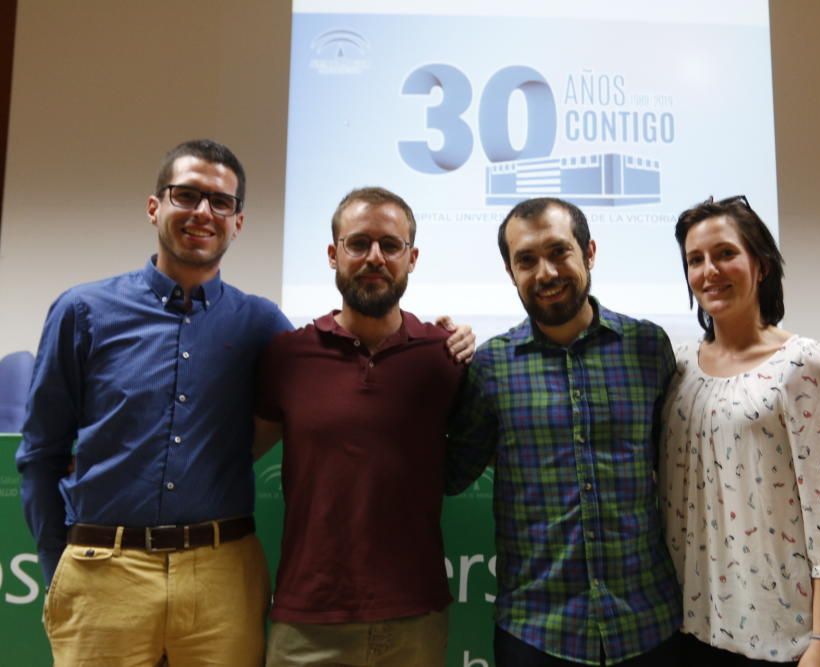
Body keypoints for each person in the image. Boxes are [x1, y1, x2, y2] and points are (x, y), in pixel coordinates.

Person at [16, 139, 292, 665]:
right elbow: (40, 453)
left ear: (238, 221)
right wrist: (59, 567)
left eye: (220, 202)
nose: (203, 213)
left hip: (222, 578)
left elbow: (332, 368)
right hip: (102, 574)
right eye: (186, 195)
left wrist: (447, 336)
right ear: (154, 207)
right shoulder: (83, 311)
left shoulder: (262, 324)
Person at [446, 197, 683, 666]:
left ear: (589, 252)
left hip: (648, 627)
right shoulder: (491, 367)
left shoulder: (648, 348)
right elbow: (449, 475)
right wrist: (426, 360)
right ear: (510, 272)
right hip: (536, 633)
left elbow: (679, 471)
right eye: (526, 260)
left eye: (559, 252)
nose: (546, 272)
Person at [254, 187, 469, 667]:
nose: (375, 257)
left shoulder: (445, 357)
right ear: (334, 254)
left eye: (390, 246)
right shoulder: (287, 356)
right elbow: (236, 454)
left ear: (412, 258)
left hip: (415, 617)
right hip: (306, 622)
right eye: (358, 244)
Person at [660, 195, 820, 666]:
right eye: (695, 260)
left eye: (725, 253)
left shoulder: (802, 364)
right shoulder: (680, 366)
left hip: (784, 640)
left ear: (761, 265)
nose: (709, 270)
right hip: (690, 629)